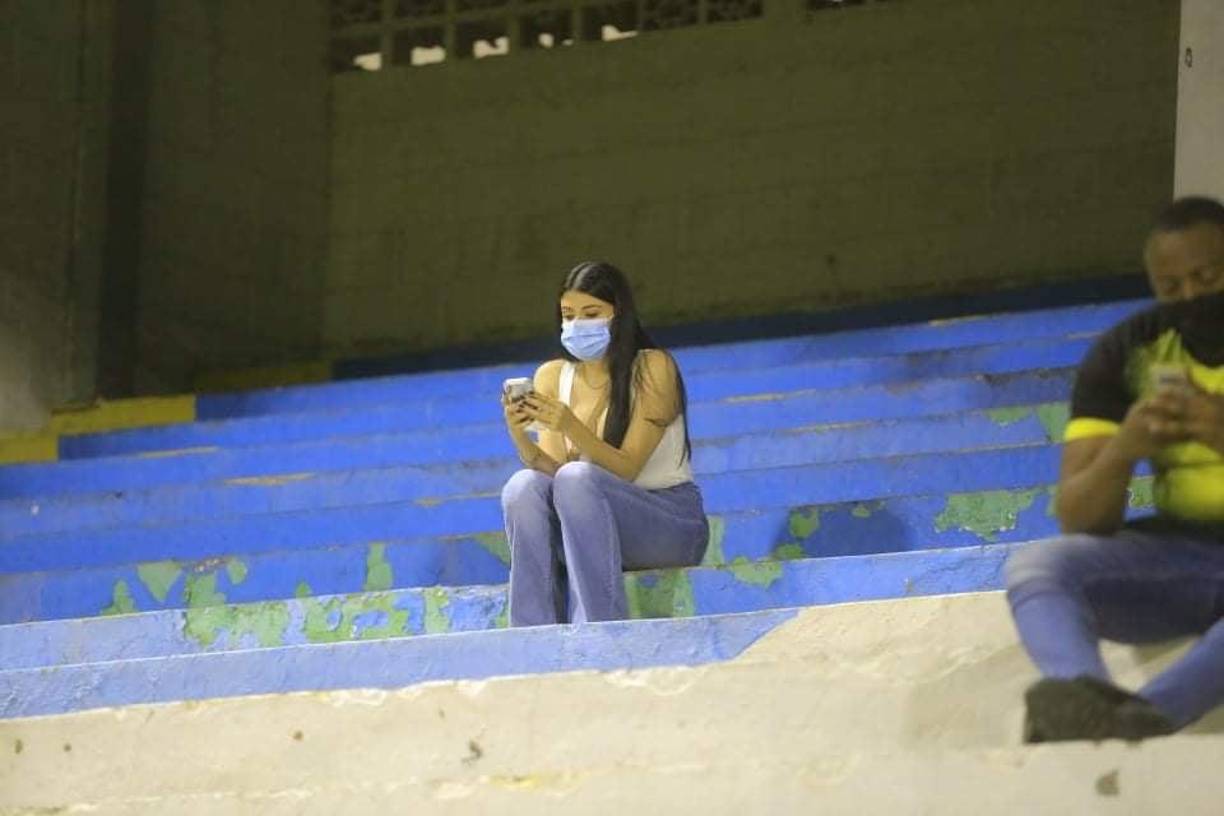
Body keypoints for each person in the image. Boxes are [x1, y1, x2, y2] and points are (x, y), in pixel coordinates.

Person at [1005, 196, 1224, 743]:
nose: (1192, 297)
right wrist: (1124, 449)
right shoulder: (1130, 351)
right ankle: (1083, 699)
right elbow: (1078, 517)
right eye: (1171, 288)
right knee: (1041, 565)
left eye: (1209, 276)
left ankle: (1147, 716)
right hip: (1185, 557)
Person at [499, 261, 709, 626]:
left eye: (591, 313)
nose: (577, 325)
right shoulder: (552, 375)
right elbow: (553, 473)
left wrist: (571, 425)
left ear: (619, 314)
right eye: (568, 315)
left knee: (577, 478)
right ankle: (532, 633)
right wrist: (520, 436)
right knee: (523, 486)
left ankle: (601, 631)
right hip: (587, 526)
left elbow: (627, 467)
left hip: (666, 524)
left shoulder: (653, 367)